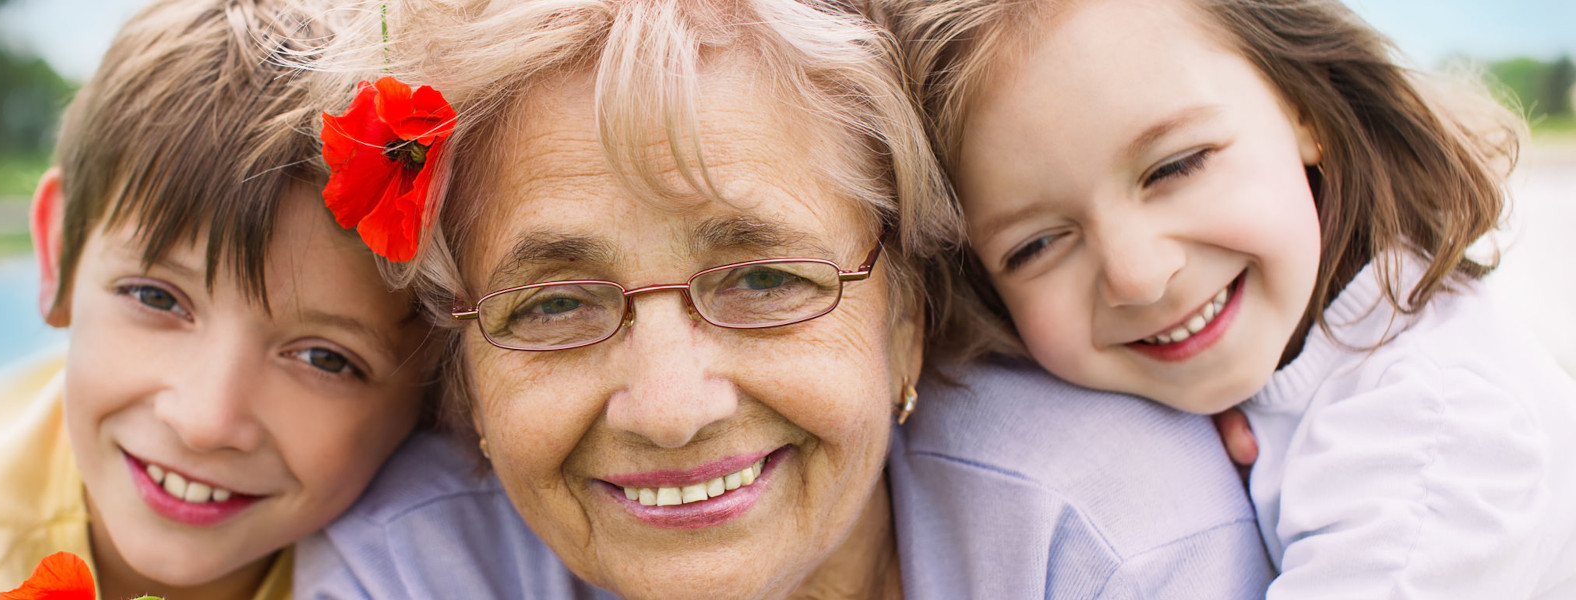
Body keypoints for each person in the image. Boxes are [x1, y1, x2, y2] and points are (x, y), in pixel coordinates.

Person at [295, 1, 1271, 597]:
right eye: (552, 305)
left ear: (904, 318)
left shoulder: (1102, 537)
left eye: (763, 279)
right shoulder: (406, 571)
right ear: (464, 364)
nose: (671, 412)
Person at [889, 0, 1576, 595]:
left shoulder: (1431, 445)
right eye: (1036, 246)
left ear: (1307, 109)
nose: (1138, 276)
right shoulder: (1303, 361)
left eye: (1176, 166)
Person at [0, 1, 438, 598]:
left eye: (324, 358)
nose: (205, 420)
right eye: (155, 297)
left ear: (440, 386)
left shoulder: (466, 554)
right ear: (60, 254)